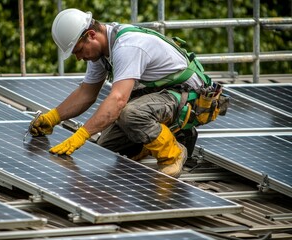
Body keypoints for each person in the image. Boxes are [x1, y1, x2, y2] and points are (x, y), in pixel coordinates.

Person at [30, 8, 219, 178]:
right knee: (106, 148)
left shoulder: (127, 46)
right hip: (161, 94)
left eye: (79, 50)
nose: (79, 57)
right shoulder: (101, 53)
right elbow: (86, 93)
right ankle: (153, 140)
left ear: (91, 35)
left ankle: (173, 153)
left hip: (187, 97)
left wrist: (82, 134)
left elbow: (118, 100)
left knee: (130, 114)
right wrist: (53, 117)